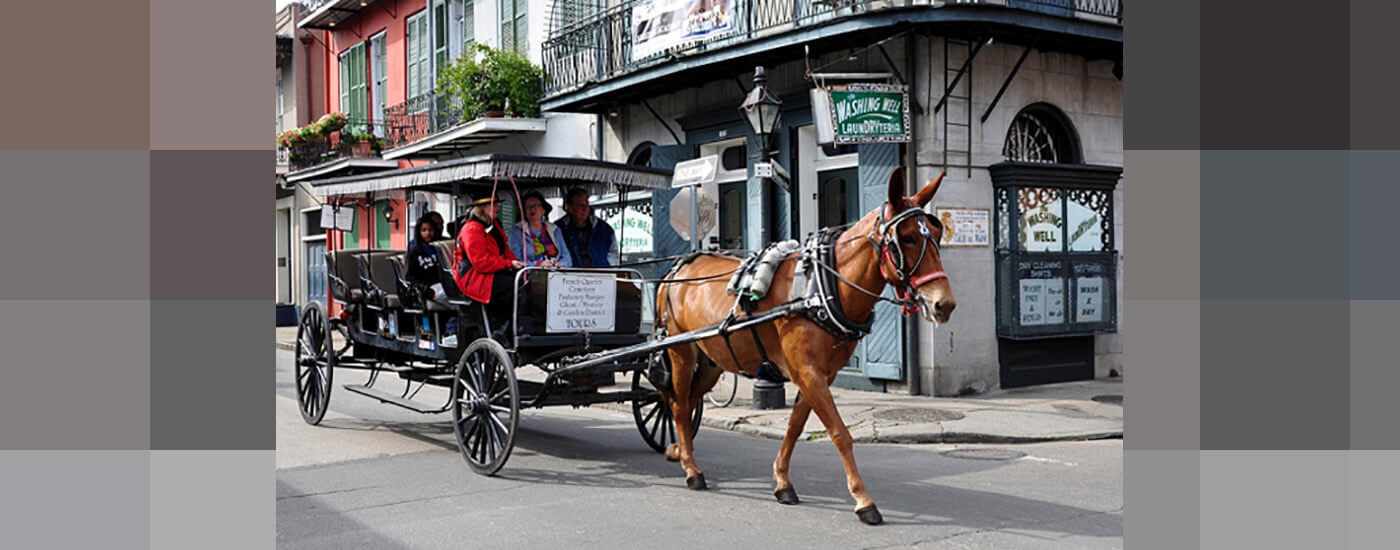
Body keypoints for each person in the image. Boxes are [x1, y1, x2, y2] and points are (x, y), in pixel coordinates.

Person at [453, 194, 524, 333]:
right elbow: (481, 263)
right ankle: (504, 330)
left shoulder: (495, 225)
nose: (498, 207)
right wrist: (509, 264)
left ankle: (515, 328)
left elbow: (505, 250)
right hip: (474, 277)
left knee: (525, 281)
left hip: (492, 272)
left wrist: (520, 265)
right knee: (516, 287)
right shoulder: (471, 229)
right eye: (493, 204)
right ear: (482, 208)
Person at [508, 190, 574, 268]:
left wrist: (560, 264)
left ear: (543, 210)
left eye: (535, 205)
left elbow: (567, 258)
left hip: (555, 273)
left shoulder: (554, 229)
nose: (532, 209)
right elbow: (516, 261)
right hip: (531, 275)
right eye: (528, 206)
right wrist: (537, 265)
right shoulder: (517, 231)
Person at [558, 187, 620, 268]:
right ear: (570, 208)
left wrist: (608, 267)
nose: (585, 208)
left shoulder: (604, 228)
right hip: (570, 277)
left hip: (600, 275)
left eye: (587, 204)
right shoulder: (558, 229)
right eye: (580, 205)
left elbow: (613, 253)